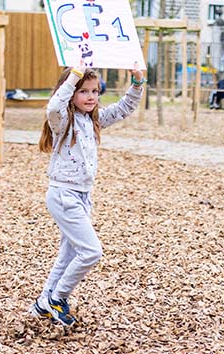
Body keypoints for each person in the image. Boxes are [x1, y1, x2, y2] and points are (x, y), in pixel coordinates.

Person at [29, 61, 145, 327]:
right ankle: (58, 298)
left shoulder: (92, 120)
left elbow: (124, 108)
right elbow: (54, 106)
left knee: (69, 254)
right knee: (91, 252)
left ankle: (43, 303)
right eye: (84, 91)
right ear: (71, 93)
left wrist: (137, 83)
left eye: (95, 91)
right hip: (63, 194)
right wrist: (74, 77)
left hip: (82, 195)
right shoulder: (63, 120)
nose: (91, 96)